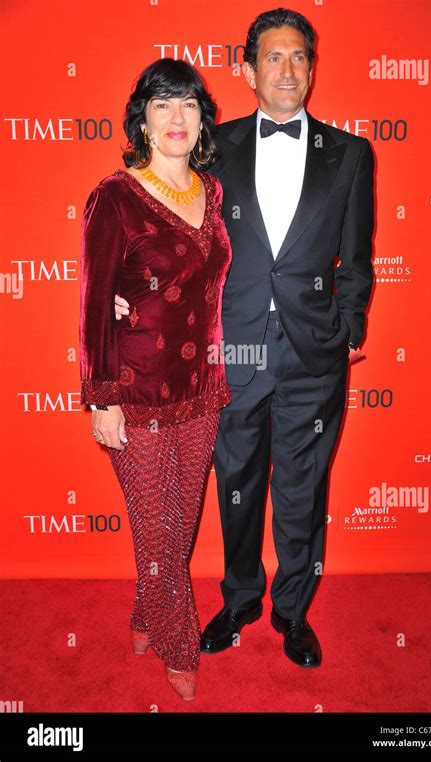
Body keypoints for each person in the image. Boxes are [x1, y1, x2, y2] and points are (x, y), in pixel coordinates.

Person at [115, 8, 375, 669]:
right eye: (273, 57)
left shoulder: (349, 154)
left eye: (298, 58)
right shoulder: (215, 147)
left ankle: (292, 613)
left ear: (311, 69)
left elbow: (358, 255)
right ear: (249, 69)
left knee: (302, 489)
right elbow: (180, 241)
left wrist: (347, 330)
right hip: (232, 354)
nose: (287, 69)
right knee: (235, 482)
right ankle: (239, 601)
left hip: (314, 356)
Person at [79, 58, 232, 700]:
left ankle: (145, 614)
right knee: (157, 527)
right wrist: (101, 399)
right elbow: (93, 305)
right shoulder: (113, 196)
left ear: (202, 122)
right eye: (163, 104)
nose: (176, 117)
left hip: (201, 388)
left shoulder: (213, 192)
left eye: (189, 105)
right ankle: (176, 641)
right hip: (136, 390)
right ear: (142, 117)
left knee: (182, 520)